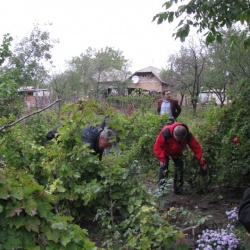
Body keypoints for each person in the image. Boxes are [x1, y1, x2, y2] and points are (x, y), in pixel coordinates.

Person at [153, 122, 207, 194]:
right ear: (174, 134)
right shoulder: (166, 132)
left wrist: (202, 162)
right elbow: (157, 146)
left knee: (179, 168)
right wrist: (161, 158)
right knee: (163, 168)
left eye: (182, 140)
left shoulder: (188, 135)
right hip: (165, 151)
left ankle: (178, 189)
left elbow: (196, 148)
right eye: (178, 140)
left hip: (177, 152)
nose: (180, 141)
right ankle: (161, 190)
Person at [46, 118, 118, 161]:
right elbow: (85, 160)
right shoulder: (89, 139)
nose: (106, 147)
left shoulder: (101, 141)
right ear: (101, 138)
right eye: (106, 144)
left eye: (108, 146)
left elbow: (98, 159)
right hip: (61, 133)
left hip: (75, 142)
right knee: (48, 137)